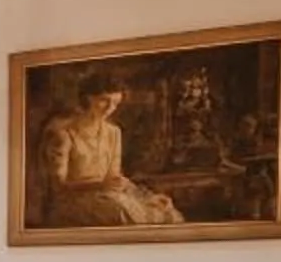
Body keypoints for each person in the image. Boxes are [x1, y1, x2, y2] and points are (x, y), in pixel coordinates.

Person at [34, 79, 181, 227]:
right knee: (124, 213)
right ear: (88, 98)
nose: (110, 108)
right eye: (104, 101)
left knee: (167, 212)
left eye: (116, 103)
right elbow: (59, 185)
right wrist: (100, 185)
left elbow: (114, 178)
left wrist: (147, 197)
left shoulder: (113, 132)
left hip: (107, 196)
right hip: (72, 201)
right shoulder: (63, 134)